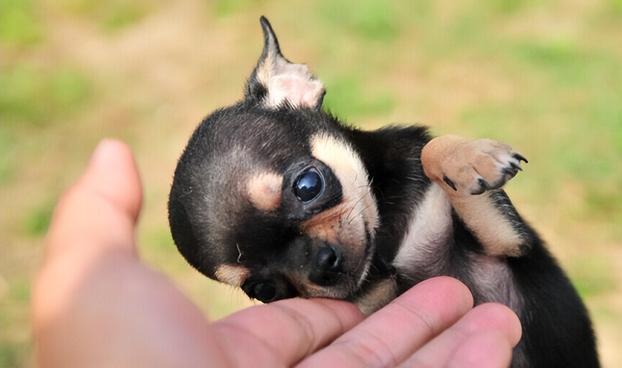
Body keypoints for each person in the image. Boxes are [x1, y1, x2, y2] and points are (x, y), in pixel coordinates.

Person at [31, 139, 521, 367]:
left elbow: (506, 248)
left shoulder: (419, 167)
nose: (320, 263)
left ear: (297, 92)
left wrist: (443, 158)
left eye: (306, 188)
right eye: (266, 286)